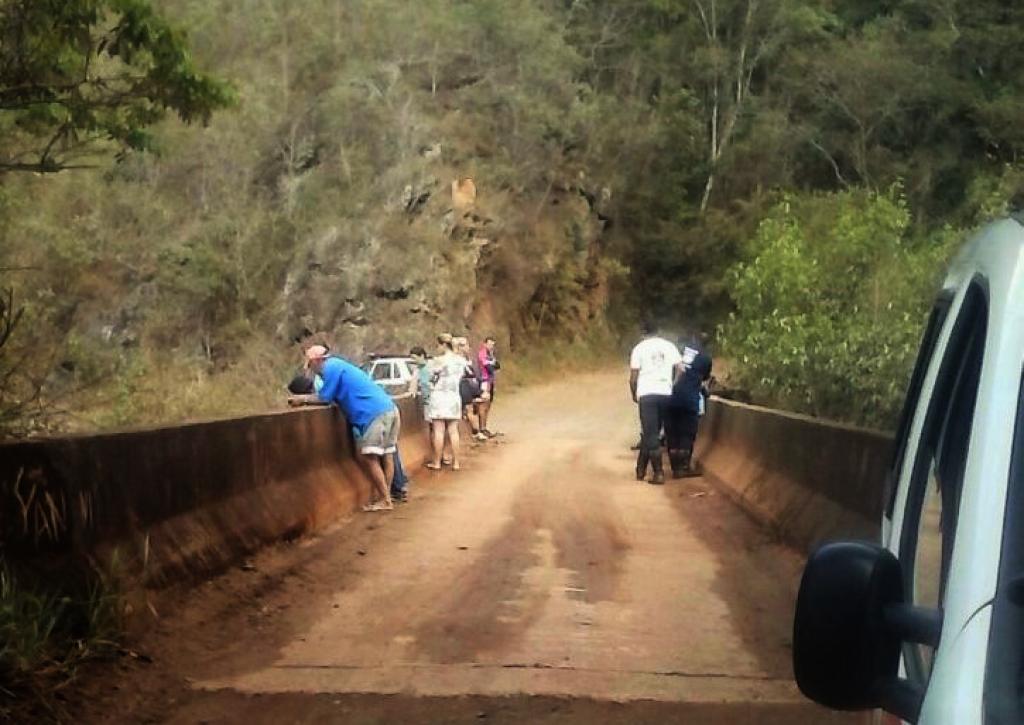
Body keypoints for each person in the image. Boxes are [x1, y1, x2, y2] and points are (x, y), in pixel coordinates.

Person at [288, 350, 412, 503]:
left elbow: (324, 398)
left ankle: (385, 498)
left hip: (372, 413)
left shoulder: (330, 368)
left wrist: (302, 400)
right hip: (389, 408)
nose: (312, 370)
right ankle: (388, 496)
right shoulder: (340, 365)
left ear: (316, 361)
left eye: (311, 365)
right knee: (387, 454)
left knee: (368, 458)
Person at [629, 320, 684, 484]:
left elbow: (633, 378)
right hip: (665, 392)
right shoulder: (669, 346)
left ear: (643, 332)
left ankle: (658, 473)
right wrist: (673, 384)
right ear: (658, 331)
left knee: (650, 432)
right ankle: (640, 469)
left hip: (647, 393)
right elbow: (681, 369)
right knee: (652, 431)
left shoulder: (639, 348)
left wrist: (634, 393)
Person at [664, 334, 713, 478]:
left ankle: (674, 467)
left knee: (672, 433)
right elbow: (703, 378)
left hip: (669, 397)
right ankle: (683, 468)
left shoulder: (677, 352)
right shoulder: (705, 358)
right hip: (689, 400)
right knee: (686, 433)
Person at [425, 333, 465, 470]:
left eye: (438, 345)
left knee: (439, 430)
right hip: (454, 396)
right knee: (453, 430)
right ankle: (456, 462)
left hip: (440, 396)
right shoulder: (460, 360)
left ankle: (436, 462)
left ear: (443, 344)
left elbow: (431, 376)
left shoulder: (439, 360)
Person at [454, 336, 487, 442]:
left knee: (473, 407)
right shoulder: (458, 360)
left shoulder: (466, 359)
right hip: (463, 385)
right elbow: (468, 373)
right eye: (464, 345)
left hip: (469, 385)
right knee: (468, 409)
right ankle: (476, 432)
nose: (468, 347)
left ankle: (478, 429)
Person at [476, 336, 500, 437]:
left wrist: (493, 365)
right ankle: (481, 428)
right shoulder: (482, 353)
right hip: (484, 381)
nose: (491, 347)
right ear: (484, 344)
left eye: (493, 345)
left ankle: (484, 427)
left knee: (488, 405)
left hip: (490, 381)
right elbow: (490, 368)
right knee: (483, 405)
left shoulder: (490, 354)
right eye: (489, 344)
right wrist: (493, 364)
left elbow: (498, 366)